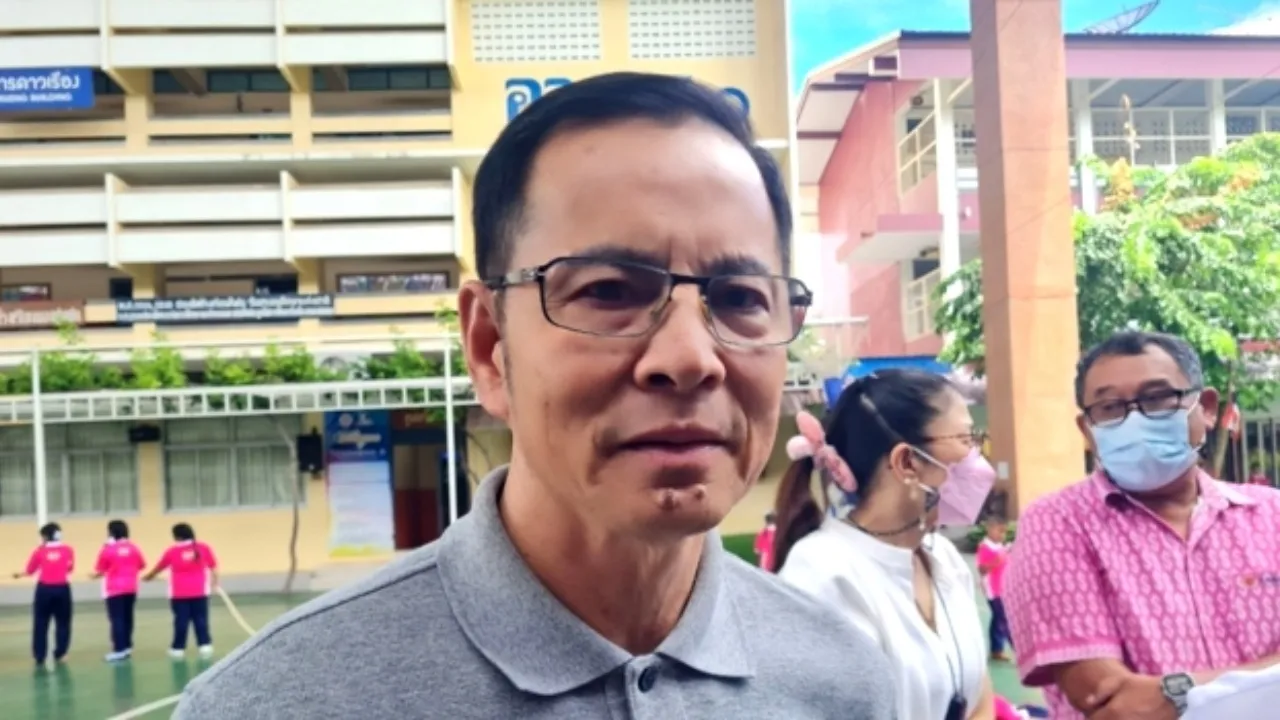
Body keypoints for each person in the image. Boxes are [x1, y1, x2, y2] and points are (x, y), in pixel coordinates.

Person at [173, 72, 895, 718]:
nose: (689, 359)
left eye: (740, 298)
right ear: (491, 346)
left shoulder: (845, 683)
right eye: (608, 290)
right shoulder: (275, 702)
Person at [1004, 330, 1280, 720]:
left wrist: (1175, 693)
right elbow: (1108, 698)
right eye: (1110, 408)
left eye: (1157, 398)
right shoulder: (1057, 524)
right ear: (1087, 429)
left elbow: (1149, 703)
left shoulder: (1271, 515)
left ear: (1206, 407)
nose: (1134, 420)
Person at [775, 370, 999, 720]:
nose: (978, 456)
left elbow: (979, 697)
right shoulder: (821, 575)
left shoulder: (944, 558)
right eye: (966, 439)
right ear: (907, 462)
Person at [144, 523, 218, 660]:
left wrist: (148, 577)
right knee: (201, 619)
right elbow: (213, 566)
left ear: (176, 536)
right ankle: (205, 645)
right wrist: (215, 582)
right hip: (200, 592)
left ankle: (178, 648)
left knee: (181, 621)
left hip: (179, 594)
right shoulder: (203, 548)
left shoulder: (172, 551)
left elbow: (159, 568)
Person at [13, 522, 75, 667]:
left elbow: (30, 570)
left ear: (45, 536)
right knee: (63, 622)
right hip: (62, 589)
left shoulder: (39, 551)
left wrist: (18, 575)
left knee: (40, 622)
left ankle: (39, 655)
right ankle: (61, 653)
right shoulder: (68, 550)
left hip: (44, 590)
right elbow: (70, 568)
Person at [91, 519, 147, 663]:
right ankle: (127, 646)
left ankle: (119, 649)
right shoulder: (134, 548)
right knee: (128, 617)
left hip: (114, 589)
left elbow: (100, 568)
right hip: (131, 588)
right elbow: (142, 565)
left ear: (111, 532)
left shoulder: (108, 549)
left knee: (117, 619)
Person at [975, 516, 1012, 662]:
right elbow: (982, 569)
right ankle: (1012, 646)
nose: (1002, 535)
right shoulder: (984, 547)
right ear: (990, 529)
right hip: (993, 589)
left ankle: (996, 649)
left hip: (1003, 588)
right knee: (1002, 617)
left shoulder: (1000, 546)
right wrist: (995, 561)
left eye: (1004, 532)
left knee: (998, 618)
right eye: (999, 531)